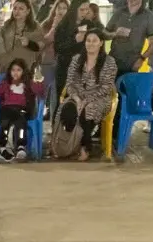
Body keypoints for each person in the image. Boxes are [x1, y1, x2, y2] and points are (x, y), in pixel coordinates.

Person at [55, 28, 116, 161]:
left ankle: (85, 147)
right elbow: (70, 83)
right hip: (76, 96)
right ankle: (67, 143)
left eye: (94, 41)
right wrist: (77, 99)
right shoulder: (76, 59)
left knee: (88, 111)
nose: (91, 44)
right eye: (88, 40)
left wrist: (87, 100)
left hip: (99, 98)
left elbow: (106, 87)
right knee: (66, 109)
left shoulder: (109, 62)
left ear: (101, 43)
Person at [0, 57, 43, 159]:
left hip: (21, 110)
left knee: (21, 123)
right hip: (7, 109)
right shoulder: (6, 84)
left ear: (23, 71)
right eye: (13, 70)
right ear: (10, 71)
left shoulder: (27, 84)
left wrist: (38, 82)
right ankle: (2, 145)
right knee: (4, 123)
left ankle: (21, 146)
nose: (15, 73)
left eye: (18, 70)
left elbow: (39, 92)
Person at [105, 0, 153, 76]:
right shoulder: (119, 13)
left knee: (126, 87)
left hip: (132, 64)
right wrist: (115, 34)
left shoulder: (149, 16)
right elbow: (104, 34)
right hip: (113, 62)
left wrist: (142, 59)